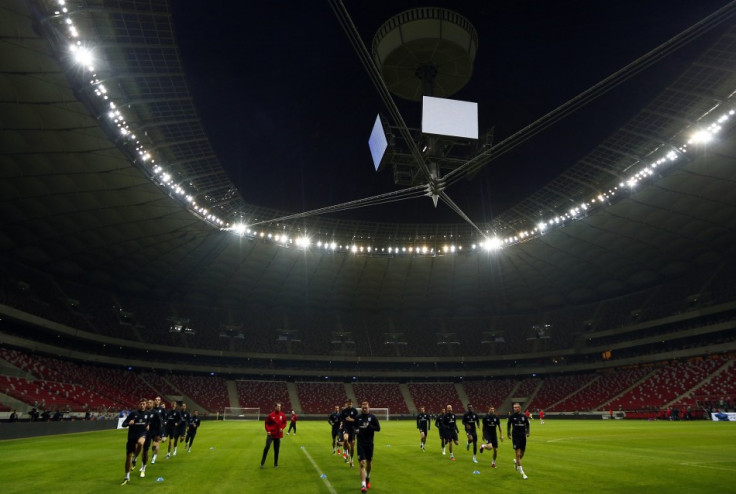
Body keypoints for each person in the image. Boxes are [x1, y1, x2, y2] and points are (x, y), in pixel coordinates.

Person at [121, 398, 150, 485]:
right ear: (138, 404)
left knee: (141, 443)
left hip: (142, 434)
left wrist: (148, 426)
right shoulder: (133, 413)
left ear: (146, 405)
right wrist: (129, 423)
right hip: (131, 437)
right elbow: (123, 424)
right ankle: (127, 476)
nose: (142, 405)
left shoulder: (147, 414)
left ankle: (135, 458)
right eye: (141, 404)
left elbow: (147, 423)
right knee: (128, 457)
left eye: (144, 404)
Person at [356, 401, 381, 493]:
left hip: (369, 444)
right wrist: (356, 431)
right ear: (361, 408)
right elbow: (354, 428)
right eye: (363, 407)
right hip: (360, 443)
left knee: (369, 463)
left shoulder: (373, 417)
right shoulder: (357, 417)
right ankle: (363, 485)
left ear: (368, 408)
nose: (364, 409)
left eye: (366, 407)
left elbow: (378, 428)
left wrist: (369, 426)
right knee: (362, 463)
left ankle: (368, 476)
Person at [507, 402, 530, 479]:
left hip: (523, 437)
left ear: (520, 408)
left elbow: (528, 425)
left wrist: (527, 432)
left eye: (516, 407)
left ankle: (516, 461)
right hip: (515, 437)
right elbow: (508, 425)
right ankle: (522, 473)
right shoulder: (512, 416)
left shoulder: (524, 416)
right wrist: (508, 433)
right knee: (517, 454)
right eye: (514, 407)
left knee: (521, 454)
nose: (515, 408)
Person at [260, 402, 287, 468]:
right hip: (271, 435)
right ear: (275, 407)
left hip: (278, 435)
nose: (279, 408)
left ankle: (275, 464)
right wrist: (268, 431)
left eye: (280, 407)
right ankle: (262, 463)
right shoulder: (271, 415)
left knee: (276, 450)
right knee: (267, 447)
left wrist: (282, 428)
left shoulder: (282, 415)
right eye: (278, 406)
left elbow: (285, 423)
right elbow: (266, 423)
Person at [340, 399, 359, 467]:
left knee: (352, 446)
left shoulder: (355, 411)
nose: (349, 405)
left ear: (352, 404)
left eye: (350, 404)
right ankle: (345, 451)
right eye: (348, 404)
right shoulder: (344, 411)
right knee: (345, 439)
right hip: (346, 428)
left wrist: (351, 419)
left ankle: (351, 460)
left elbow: (357, 420)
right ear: (346, 404)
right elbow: (341, 419)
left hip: (353, 429)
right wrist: (341, 424)